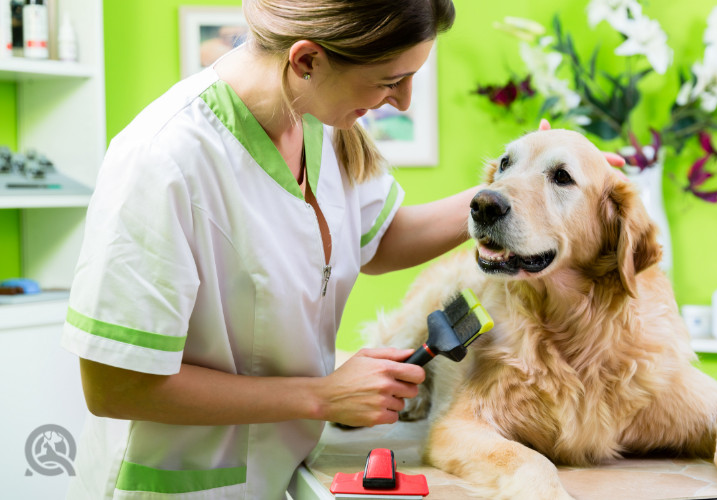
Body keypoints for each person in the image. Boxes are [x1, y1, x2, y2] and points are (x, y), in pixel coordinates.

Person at [61, 1, 624, 498]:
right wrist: (321, 396)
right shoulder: (163, 161)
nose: (401, 102)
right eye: (390, 80)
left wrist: (515, 195)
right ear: (307, 60)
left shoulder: (317, 123)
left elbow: (379, 242)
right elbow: (116, 385)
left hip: (284, 472)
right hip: (174, 484)